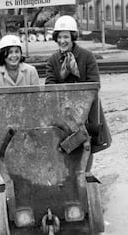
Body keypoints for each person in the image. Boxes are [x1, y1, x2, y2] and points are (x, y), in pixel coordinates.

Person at [45, 15, 111, 154]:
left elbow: (95, 84)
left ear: (73, 37)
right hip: (63, 110)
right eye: (59, 37)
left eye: (66, 37)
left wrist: (79, 99)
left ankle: (85, 173)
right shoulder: (53, 60)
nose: (62, 41)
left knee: (88, 144)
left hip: (86, 110)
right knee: (64, 146)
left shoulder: (87, 56)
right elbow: (49, 86)